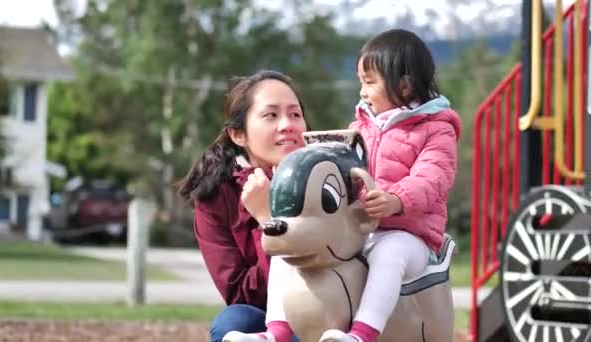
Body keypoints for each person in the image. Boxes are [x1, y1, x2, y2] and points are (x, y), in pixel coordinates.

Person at [224, 29, 461, 342]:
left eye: (370, 82)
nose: (362, 91)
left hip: (411, 233)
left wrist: (396, 200)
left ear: (403, 85)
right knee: (291, 249)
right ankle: (276, 331)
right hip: (363, 227)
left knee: (389, 253)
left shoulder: (436, 129)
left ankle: (363, 333)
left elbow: (433, 178)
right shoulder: (360, 127)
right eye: (361, 81)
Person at [177, 70, 308, 342]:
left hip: (332, 312)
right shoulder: (217, 199)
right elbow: (241, 296)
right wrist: (268, 224)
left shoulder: (327, 177)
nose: (287, 124)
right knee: (234, 322)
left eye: (295, 114)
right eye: (271, 115)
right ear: (238, 135)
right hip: (270, 320)